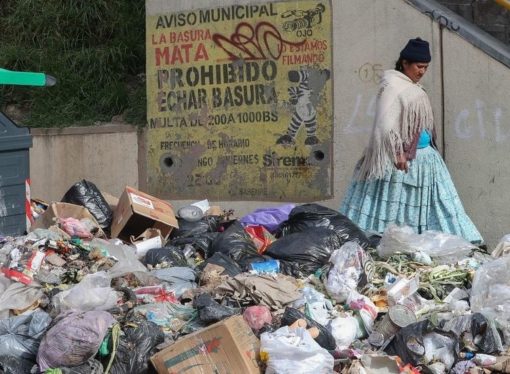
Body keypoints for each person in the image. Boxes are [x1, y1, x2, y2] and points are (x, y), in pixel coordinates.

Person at [340, 38, 483, 243]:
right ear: (405, 63)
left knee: (439, 203)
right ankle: (391, 243)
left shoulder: (412, 87)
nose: (422, 71)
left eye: (425, 67)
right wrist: (397, 151)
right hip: (399, 163)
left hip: (425, 161)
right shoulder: (393, 86)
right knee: (395, 207)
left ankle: (445, 243)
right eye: (419, 66)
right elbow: (385, 124)